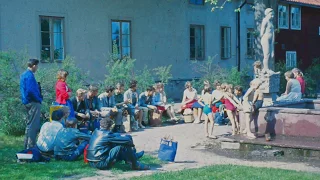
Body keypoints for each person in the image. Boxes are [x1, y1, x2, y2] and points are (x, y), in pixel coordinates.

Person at [20, 59, 43, 149]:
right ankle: (31, 146)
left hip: (26, 101)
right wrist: (39, 99)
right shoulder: (30, 75)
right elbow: (30, 90)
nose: (37, 68)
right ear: (34, 65)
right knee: (34, 125)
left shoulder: (23, 75)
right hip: (33, 102)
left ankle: (26, 145)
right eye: (37, 66)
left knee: (29, 124)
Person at [260, 8, 275, 73]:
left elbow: (273, 32)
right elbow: (262, 32)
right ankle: (266, 69)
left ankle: (269, 68)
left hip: (270, 40)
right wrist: (263, 39)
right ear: (267, 14)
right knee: (267, 55)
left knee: (272, 55)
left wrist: (273, 41)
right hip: (265, 39)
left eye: (273, 15)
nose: (272, 16)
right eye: (271, 15)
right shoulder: (265, 21)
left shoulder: (271, 22)